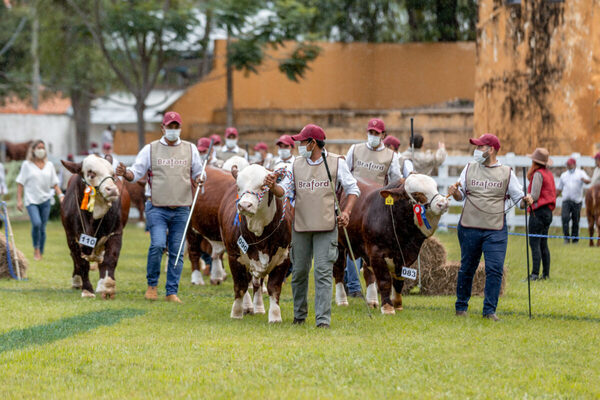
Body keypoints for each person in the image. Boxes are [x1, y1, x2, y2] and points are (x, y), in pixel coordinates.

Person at [264, 124, 360, 328]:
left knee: (323, 272)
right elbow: (284, 191)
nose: (298, 145)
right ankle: (299, 316)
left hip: (327, 226)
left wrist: (346, 212)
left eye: (301, 141)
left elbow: (353, 189)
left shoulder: (336, 163)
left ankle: (322, 320)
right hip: (301, 226)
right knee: (298, 272)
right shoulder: (295, 164)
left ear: (312, 143)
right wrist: (273, 187)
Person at [116, 111, 204, 303]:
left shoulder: (190, 149)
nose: (173, 130)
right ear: (162, 128)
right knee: (157, 245)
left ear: (179, 128)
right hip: (156, 207)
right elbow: (136, 172)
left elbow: (198, 173)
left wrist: (200, 178)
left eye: (176, 126)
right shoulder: (150, 149)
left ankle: (171, 291)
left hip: (181, 208)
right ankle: (152, 286)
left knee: (178, 250)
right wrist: (126, 173)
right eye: (169, 126)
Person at [448, 133, 532, 322]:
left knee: (495, 269)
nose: (476, 150)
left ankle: (489, 311)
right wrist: (454, 193)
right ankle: (461, 307)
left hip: (495, 229)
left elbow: (518, 199)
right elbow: (461, 194)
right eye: (476, 147)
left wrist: (526, 201)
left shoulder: (507, 172)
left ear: (491, 149)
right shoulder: (469, 168)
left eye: (480, 147)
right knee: (467, 268)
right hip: (469, 226)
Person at [343, 118, 401, 297]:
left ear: (383, 135)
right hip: (354, 202)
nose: (373, 136)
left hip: (376, 206)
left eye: (376, 133)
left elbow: (395, 181)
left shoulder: (391, 156)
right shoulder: (355, 150)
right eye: (371, 132)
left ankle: (371, 284)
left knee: (372, 247)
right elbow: (345, 172)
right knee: (352, 245)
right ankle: (353, 286)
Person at [16, 140, 64, 260]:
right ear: (33, 150)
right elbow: (20, 183)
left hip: (46, 200)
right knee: (36, 223)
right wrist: (19, 200)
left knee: (42, 227)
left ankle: (40, 252)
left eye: (43, 148)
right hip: (31, 200)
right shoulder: (26, 165)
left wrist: (61, 196)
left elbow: (55, 184)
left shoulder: (49, 165)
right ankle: (36, 249)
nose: (41, 150)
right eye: (39, 147)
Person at [526, 148, 556, 280]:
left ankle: (534, 274)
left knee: (534, 243)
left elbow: (535, 195)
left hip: (537, 212)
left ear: (534, 161)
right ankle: (546, 274)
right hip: (548, 212)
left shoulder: (538, 174)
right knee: (543, 243)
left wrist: (526, 200)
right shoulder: (548, 174)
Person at [557, 158, 591, 244]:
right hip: (566, 201)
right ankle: (566, 238)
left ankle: (575, 239)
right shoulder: (564, 175)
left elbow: (588, 181)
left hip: (577, 201)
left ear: (574, 165)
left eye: (570, 164)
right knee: (565, 218)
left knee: (576, 220)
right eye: (567, 164)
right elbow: (559, 188)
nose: (568, 166)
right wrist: (553, 197)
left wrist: (584, 180)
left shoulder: (580, 173)